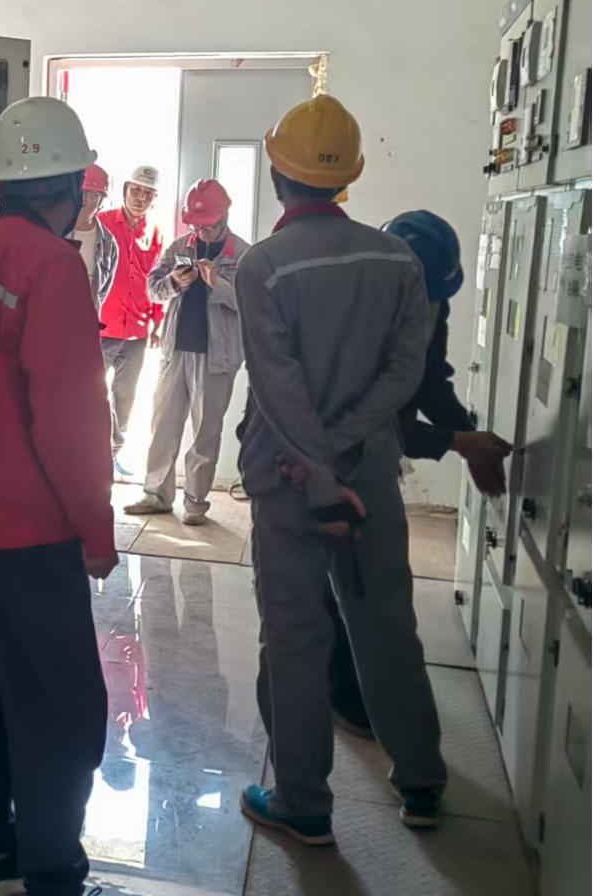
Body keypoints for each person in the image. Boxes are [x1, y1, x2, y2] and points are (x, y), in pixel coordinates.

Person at [235, 94, 447, 846]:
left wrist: (314, 463)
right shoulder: (396, 260)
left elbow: (277, 386)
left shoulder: (263, 266)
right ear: (349, 177)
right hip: (371, 479)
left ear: (276, 174)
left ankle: (302, 803)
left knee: (295, 638)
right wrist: (347, 445)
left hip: (290, 482)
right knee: (386, 623)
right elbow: (404, 373)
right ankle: (420, 779)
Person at [0, 96, 117, 896]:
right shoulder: (50, 265)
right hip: (39, 529)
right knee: (59, 702)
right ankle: (52, 867)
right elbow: (70, 418)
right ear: (66, 186)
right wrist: (95, 530)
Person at [325, 209, 511, 739]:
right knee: (339, 582)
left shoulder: (432, 301)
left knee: (371, 585)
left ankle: (374, 696)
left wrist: (468, 437)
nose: (424, 304)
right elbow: (367, 418)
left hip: (376, 458)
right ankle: (344, 694)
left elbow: (430, 380)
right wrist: (457, 443)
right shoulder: (352, 314)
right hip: (335, 456)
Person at [125, 179, 248, 523]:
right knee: (163, 426)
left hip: (216, 357)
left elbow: (251, 304)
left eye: (207, 226)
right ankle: (156, 495)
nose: (201, 232)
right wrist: (174, 283)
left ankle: (195, 502)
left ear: (224, 218)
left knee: (205, 432)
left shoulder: (243, 254)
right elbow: (153, 289)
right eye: (196, 226)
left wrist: (217, 284)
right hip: (174, 352)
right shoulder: (180, 246)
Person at [98, 165, 166, 475]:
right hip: (102, 327)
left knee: (125, 398)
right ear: (125, 190)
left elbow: (157, 280)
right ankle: (90, 451)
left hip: (137, 331)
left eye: (147, 194)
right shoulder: (101, 223)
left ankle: (112, 456)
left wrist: (157, 322)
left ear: (154, 199)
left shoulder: (155, 234)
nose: (140, 198)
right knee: (91, 393)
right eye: (135, 191)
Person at [69, 163, 119, 311]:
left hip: (85, 319)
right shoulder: (51, 233)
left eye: (92, 195)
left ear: (101, 202)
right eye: (81, 193)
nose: (84, 201)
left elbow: (101, 294)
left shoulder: (108, 244)